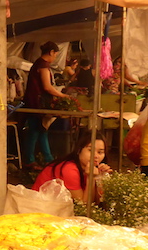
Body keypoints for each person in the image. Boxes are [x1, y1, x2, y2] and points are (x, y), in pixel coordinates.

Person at [22, 41, 71, 171]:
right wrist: (63, 96)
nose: (55, 57)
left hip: (36, 103)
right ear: (51, 52)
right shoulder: (43, 65)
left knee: (42, 131)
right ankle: (29, 161)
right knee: (35, 131)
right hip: (36, 104)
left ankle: (48, 159)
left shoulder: (41, 64)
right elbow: (47, 87)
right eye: (55, 54)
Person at [32, 131, 112, 204]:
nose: (96, 156)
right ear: (78, 150)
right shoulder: (69, 169)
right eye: (90, 150)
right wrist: (90, 178)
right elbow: (83, 205)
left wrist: (100, 177)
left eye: (100, 152)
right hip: (39, 207)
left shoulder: (92, 168)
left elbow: (100, 201)